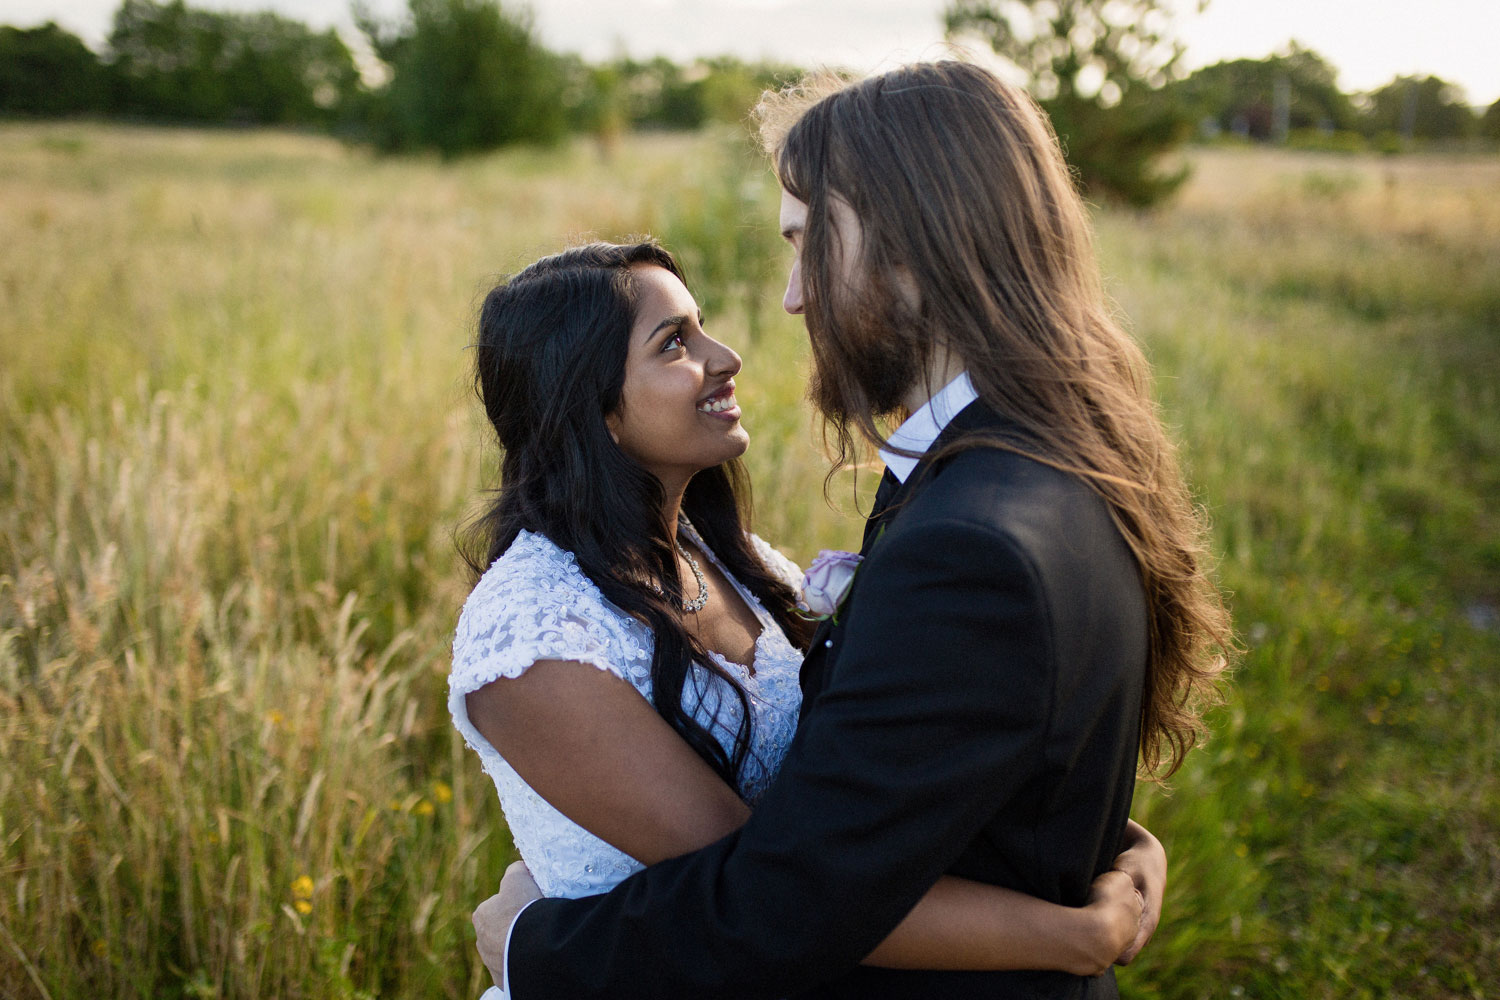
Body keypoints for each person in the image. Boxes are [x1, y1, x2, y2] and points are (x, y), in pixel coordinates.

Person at [471, 59, 1231, 1000]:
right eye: (674, 342)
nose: (792, 299)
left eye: (807, 243)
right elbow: (952, 753)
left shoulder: (970, 541)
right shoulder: (1055, 462)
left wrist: (532, 950)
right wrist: (1105, 858)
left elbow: (788, 893)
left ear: (910, 243)